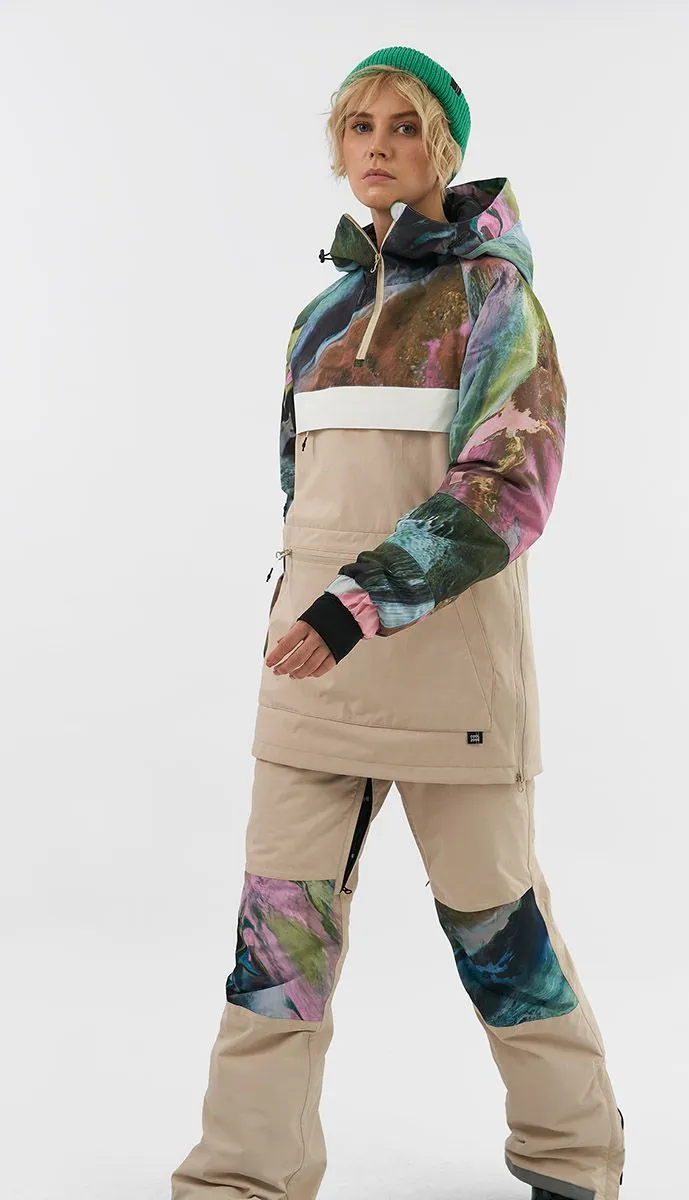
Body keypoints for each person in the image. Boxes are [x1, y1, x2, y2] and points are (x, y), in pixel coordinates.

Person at [170, 45, 626, 1200]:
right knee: (274, 949)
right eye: (359, 125)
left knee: (497, 936)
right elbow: (302, 493)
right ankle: (238, 1180)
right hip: (311, 670)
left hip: (446, 675)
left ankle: (574, 1161)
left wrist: (355, 604)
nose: (378, 145)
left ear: (444, 147)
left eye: (405, 126)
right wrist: (309, 610)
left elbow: (509, 484)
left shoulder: (492, 296)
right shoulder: (319, 315)